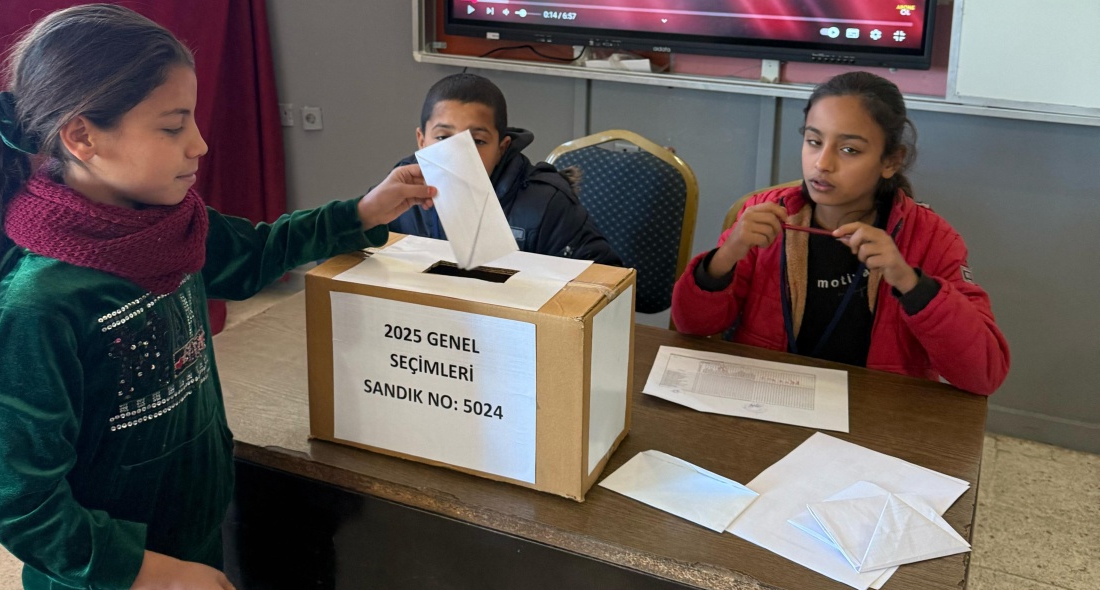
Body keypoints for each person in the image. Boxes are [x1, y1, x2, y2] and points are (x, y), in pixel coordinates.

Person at [0, 5, 434, 590]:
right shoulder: (40, 304)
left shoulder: (170, 225)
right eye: (173, 126)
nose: (200, 144)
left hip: (189, 546)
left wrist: (362, 211)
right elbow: (20, 505)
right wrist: (157, 577)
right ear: (83, 137)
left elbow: (256, 253)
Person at [671, 71, 1009, 396]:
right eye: (814, 141)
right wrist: (727, 253)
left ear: (891, 161)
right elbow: (691, 325)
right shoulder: (767, 214)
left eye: (849, 150)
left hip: (876, 418)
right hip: (768, 401)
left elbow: (984, 373)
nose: (822, 163)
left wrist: (909, 282)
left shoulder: (932, 237)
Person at [388, 73, 623, 266]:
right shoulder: (402, 189)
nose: (458, 153)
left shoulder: (547, 202)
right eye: (442, 137)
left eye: (478, 141)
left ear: (502, 147)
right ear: (422, 140)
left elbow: (601, 282)